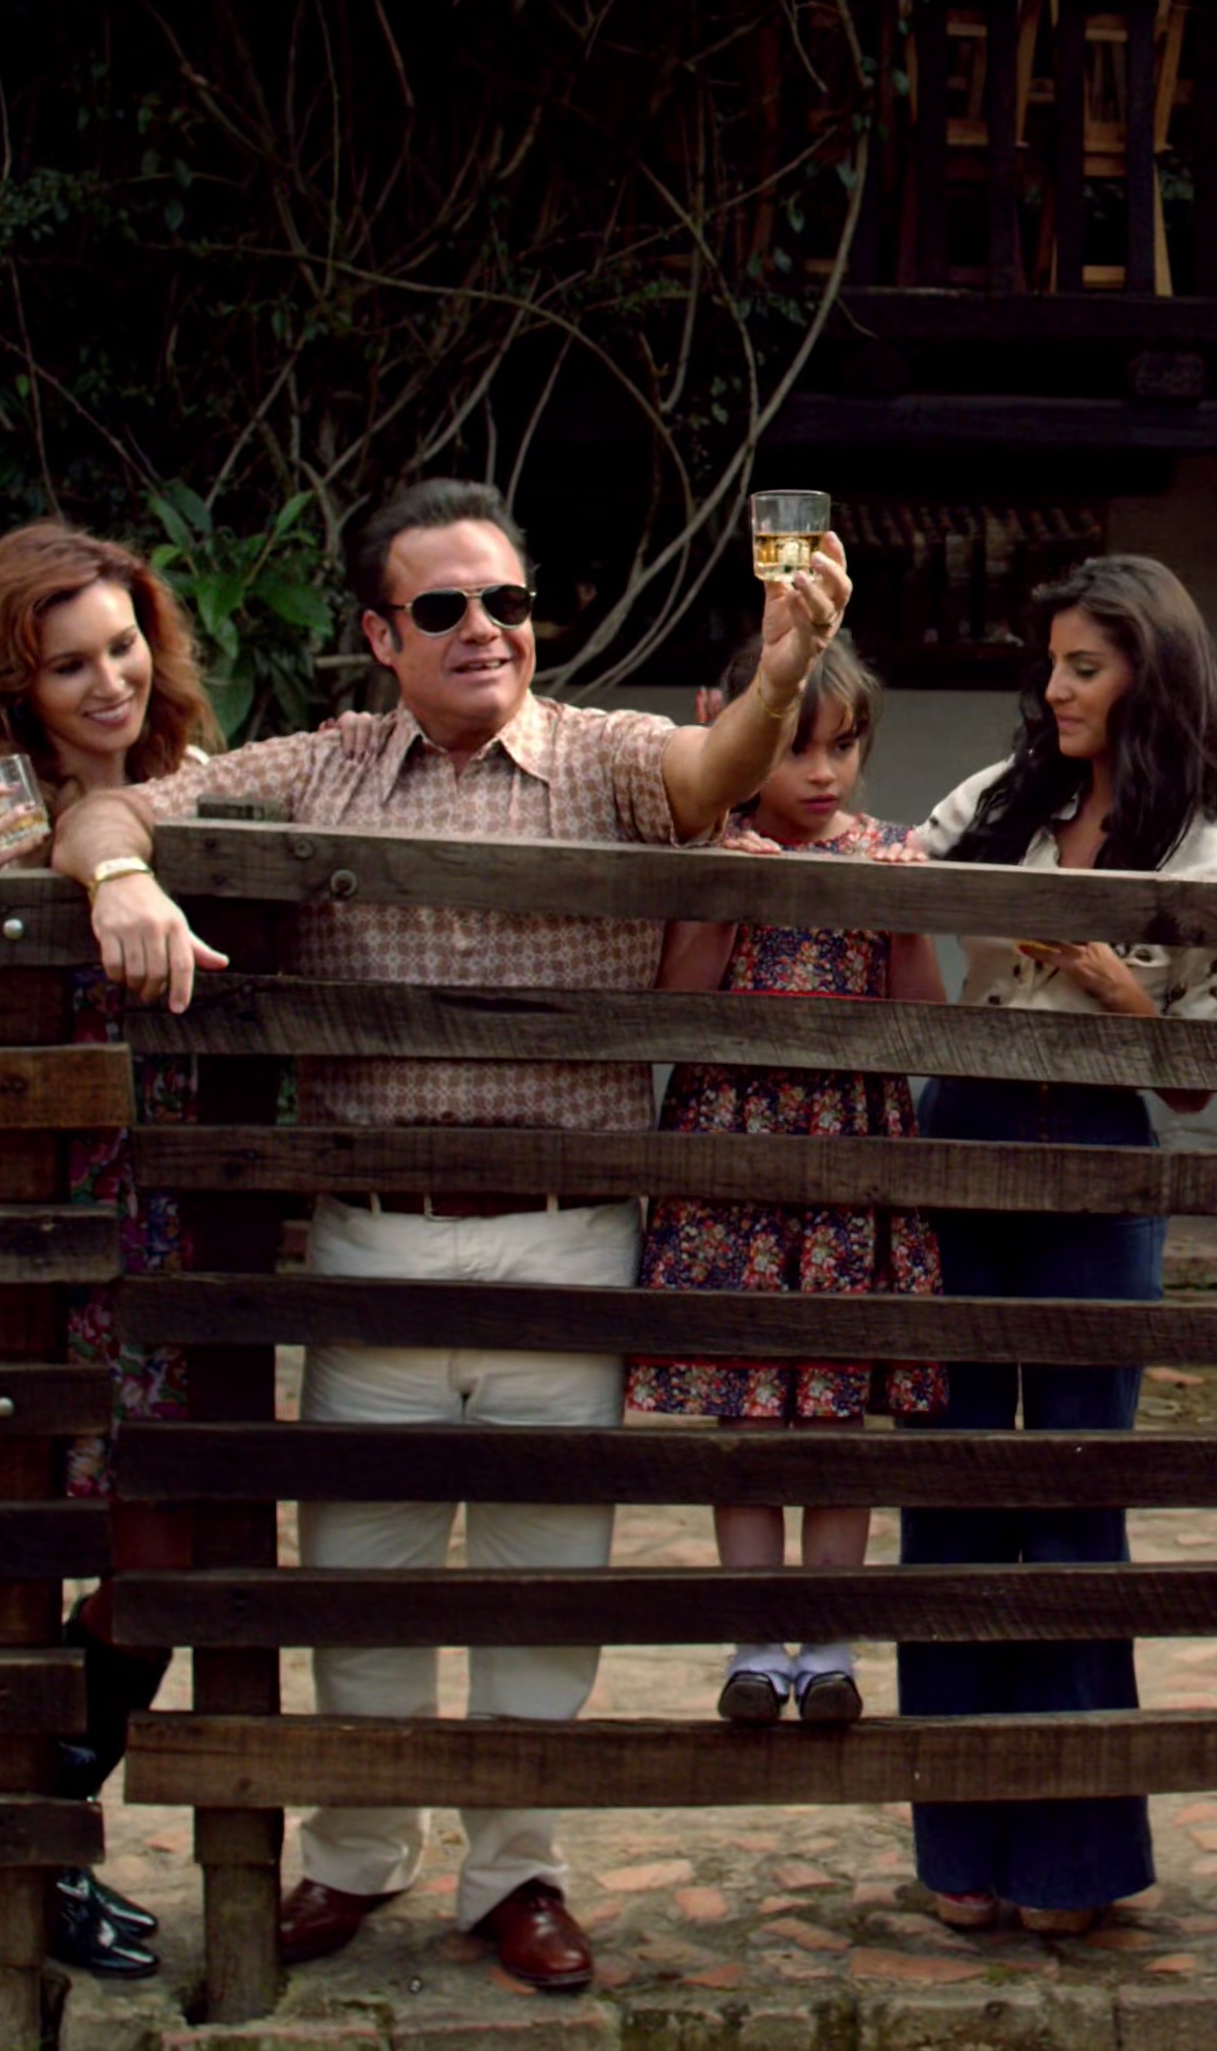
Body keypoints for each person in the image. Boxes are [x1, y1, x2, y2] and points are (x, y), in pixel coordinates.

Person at [53, 477, 852, 1992]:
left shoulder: (608, 757)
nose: (485, 628)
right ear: (381, 635)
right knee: (363, 1580)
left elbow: (718, 771)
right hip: (374, 1245)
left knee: (548, 1583)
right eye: (443, 608)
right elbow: (108, 805)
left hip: (568, 1241)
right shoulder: (322, 766)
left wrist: (787, 665)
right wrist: (118, 876)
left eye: (507, 601)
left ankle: (516, 1873)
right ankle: (357, 1855)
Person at [901, 554, 1217, 1938]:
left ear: (1147, 679)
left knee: (1072, 1492)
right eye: (1050, 664)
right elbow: (894, 885)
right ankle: (958, 1845)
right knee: (950, 1487)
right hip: (965, 1127)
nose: (1054, 689)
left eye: (1084, 668)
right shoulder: (1004, 801)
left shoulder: (1210, 858)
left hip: (1101, 1153)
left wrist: (1119, 986)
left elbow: (1199, 1084)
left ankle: (1071, 1859)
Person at [0, 519, 224, 1979]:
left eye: (122, 646)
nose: (109, 682)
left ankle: (37, 1828)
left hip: (162, 1217)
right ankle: (33, 1867)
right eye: (68, 663)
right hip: (24, 1218)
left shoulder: (199, 780)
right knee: (20, 1548)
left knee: (159, 1551)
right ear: (15, 683)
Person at [625, 632, 946, 1729]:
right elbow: (678, 1004)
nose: (821, 774)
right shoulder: (717, 850)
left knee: (839, 1412)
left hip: (853, 1160)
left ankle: (833, 1641)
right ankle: (759, 1644)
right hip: (738, 1159)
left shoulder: (887, 855)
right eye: (796, 748)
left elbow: (923, 1025)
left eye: (842, 748)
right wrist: (728, 896)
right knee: (749, 1409)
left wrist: (902, 922)